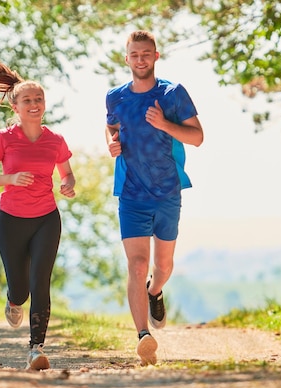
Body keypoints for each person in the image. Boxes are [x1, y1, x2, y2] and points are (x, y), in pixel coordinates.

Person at [0, 58, 76, 370]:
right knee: (21, 288)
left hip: (46, 218)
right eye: (27, 100)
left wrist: (67, 185)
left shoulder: (55, 140)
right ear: (14, 107)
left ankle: (36, 349)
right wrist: (10, 179)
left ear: (44, 104)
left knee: (40, 281)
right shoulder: (3, 138)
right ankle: (14, 300)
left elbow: (67, 174)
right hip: (12, 220)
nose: (34, 104)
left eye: (38, 99)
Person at [105, 30, 204, 365]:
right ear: (126, 58)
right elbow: (114, 129)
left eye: (146, 53)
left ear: (156, 56)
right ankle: (143, 335)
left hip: (166, 192)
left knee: (162, 266)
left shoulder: (172, 94)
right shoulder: (115, 97)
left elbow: (198, 137)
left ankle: (155, 291)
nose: (140, 59)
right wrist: (112, 144)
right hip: (131, 193)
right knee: (136, 264)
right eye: (134, 54)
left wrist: (164, 124)